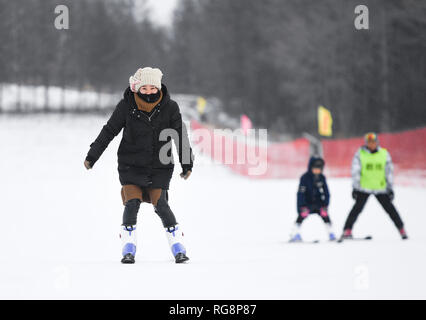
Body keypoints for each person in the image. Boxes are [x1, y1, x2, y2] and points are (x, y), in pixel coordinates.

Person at [84, 67, 194, 264]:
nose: (150, 91)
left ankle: (178, 246)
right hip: (130, 165)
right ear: (137, 88)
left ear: (159, 87)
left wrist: (186, 164)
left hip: (160, 166)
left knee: (161, 205)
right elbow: (109, 131)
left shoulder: (171, 108)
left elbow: (180, 136)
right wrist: (92, 155)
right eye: (145, 88)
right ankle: (128, 247)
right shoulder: (126, 106)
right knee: (131, 203)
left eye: (153, 87)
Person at [341, 132, 407, 240]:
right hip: (364, 187)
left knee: (390, 209)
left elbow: (389, 172)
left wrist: (390, 188)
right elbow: (355, 171)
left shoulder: (384, 154)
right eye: (369, 142)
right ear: (366, 143)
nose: (371, 144)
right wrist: (355, 188)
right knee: (356, 209)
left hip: (380, 187)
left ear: (377, 142)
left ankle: (401, 229)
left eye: (373, 142)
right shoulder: (360, 154)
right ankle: (347, 230)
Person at [289, 157, 336, 242]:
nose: (317, 171)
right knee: (301, 216)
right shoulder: (304, 178)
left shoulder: (322, 178)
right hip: (306, 203)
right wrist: (302, 207)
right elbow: (300, 193)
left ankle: (331, 233)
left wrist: (325, 205)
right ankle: (295, 233)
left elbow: (326, 193)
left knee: (325, 216)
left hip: (319, 203)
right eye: (315, 169)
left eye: (319, 169)